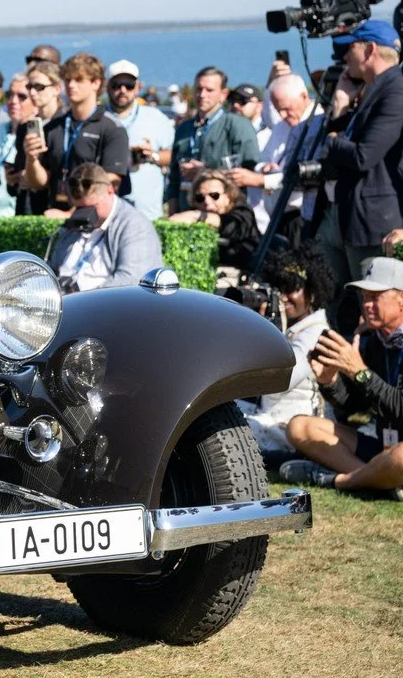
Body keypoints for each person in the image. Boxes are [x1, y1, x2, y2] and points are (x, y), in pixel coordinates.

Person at [283, 256, 403, 496]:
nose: (367, 304)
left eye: (375, 297)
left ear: (401, 300)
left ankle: (341, 481)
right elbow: (356, 407)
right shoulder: (375, 342)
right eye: (365, 297)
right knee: (299, 427)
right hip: (384, 448)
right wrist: (330, 381)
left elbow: (400, 407)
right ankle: (380, 482)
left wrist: (360, 372)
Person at [315, 20, 403, 292]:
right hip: (352, 218)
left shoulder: (395, 90)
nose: (344, 57)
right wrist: (340, 109)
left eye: (350, 48)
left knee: (371, 307)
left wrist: (331, 142)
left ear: (370, 50)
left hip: (375, 224)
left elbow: (364, 155)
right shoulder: (375, 90)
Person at [235, 245, 334, 461]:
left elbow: (282, 379)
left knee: (227, 429)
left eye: (291, 289)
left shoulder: (316, 331)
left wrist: (270, 331)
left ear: (313, 292)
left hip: (293, 424)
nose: (283, 297)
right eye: (279, 289)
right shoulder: (293, 326)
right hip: (267, 415)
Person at [17, 52, 130, 214]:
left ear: (96, 83)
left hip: (96, 221)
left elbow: (110, 182)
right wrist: (31, 159)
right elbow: (39, 183)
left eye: (78, 80)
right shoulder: (54, 127)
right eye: (68, 80)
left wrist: (70, 214)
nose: (71, 85)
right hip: (55, 213)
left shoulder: (112, 128)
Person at [226, 74, 323, 239]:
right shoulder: (281, 126)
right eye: (279, 110)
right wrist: (264, 168)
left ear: (304, 96)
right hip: (279, 215)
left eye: (287, 108)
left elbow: (305, 173)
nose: (283, 115)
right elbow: (262, 160)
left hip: (301, 214)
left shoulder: (318, 124)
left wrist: (262, 181)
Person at [47, 163, 162, 292]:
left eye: (91, 208)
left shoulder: (136, 226)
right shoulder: (77, 222)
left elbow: (131, 280)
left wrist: (80, 297)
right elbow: (53, 266)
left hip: (104, 306)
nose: (84, 214)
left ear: (110, 191)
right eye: (79, 208)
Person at [169, 66, 259, 211]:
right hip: (187, 211)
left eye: (209, 90)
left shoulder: (237, 125)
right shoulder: (184, 128)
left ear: (223, 94)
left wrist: (204, 173)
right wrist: (173, 213)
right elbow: (174, 178)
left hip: (224, 214)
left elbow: (248, 173)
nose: (202, 95)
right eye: (198, 89)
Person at [105, 60, 174, 221]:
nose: (122, 90)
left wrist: (152, 156)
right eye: (116, 85)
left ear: (138, 87)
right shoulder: (98, 119)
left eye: (128, 85)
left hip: (147, 213)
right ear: (107, 86)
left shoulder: (155, 118)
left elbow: (174, 155)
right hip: (105, 212)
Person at [168, 168, 259, 273]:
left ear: (228, 196)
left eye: (214, 195)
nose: (207, 201)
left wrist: (200, 216)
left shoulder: (243, 212)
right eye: (200, 197)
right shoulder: (195, 212)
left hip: (243, 275)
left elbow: (231, 227)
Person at [0, 73, 35, 222]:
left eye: (22, 96)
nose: (13, 101)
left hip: (21, 215)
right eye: (9, 95)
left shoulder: (36, 135)